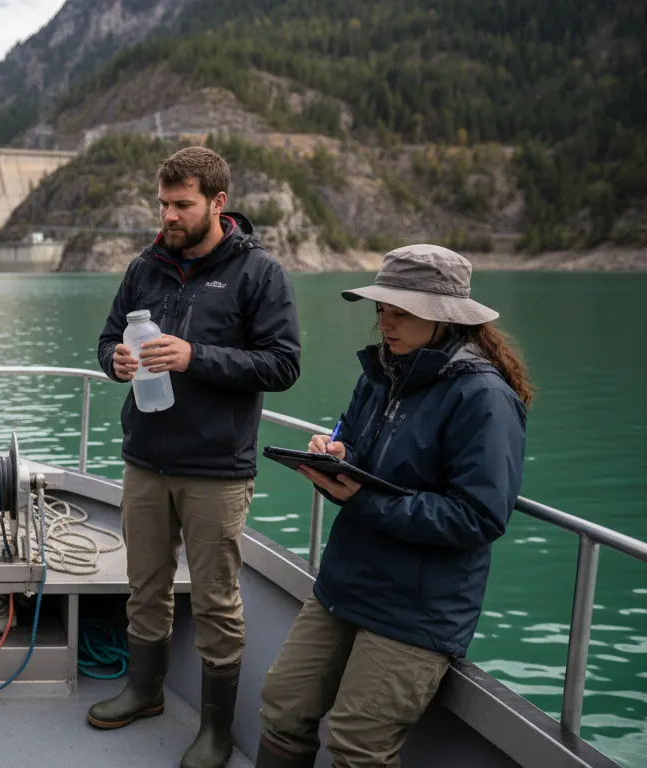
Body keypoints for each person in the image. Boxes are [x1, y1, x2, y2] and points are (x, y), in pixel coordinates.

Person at [255, 245, 532, 768]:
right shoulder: (383, 372)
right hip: (347, 581)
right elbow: (359, 446)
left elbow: (480, 516)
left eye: (400, 311)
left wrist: (364, 501)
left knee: (358, 745)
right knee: (282, 705)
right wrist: (339, 455)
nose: (385, 322)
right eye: (381, 309)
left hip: (418, 607)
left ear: (442, 318)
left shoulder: (484, 399)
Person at [92, 146, 302, 768]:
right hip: (145, 459)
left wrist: (196, 358)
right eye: (162, 203)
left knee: (215, 600)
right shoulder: (145, 267)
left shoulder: (259, 274)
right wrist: (116, 362)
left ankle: (213, 730)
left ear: (217, 202)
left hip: (216, 468)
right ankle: (145, 690)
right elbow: (107, 339)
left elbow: (283, 365)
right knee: (145, 585)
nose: (169, 216)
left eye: (181, 205)